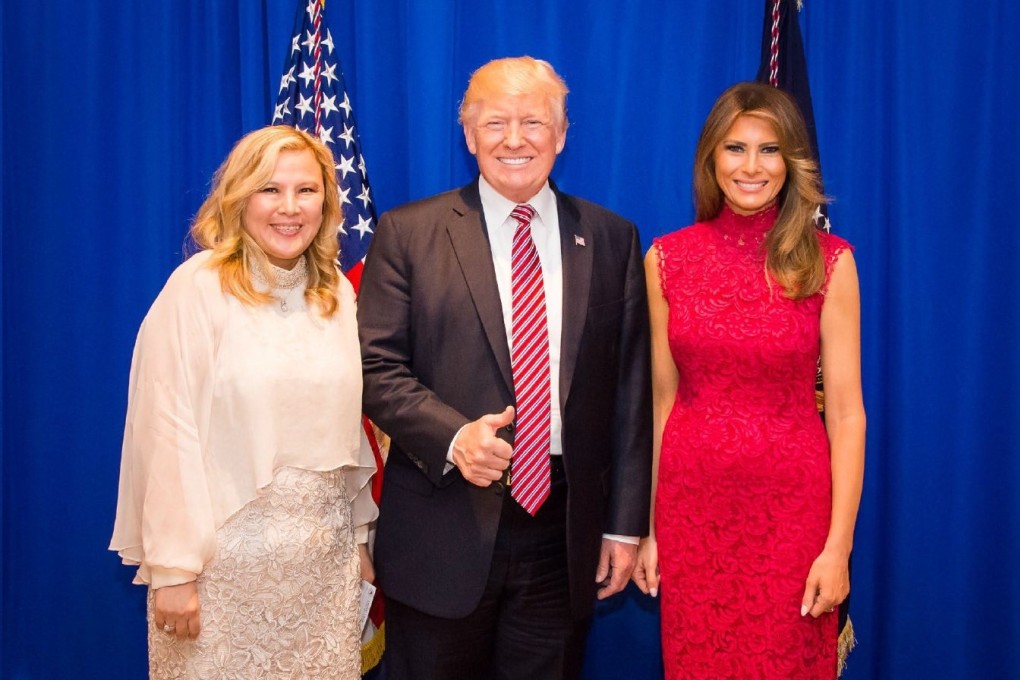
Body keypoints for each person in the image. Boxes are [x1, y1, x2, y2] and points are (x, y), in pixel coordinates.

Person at [357, 56, 651, 679]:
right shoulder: (408, 233)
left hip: (563, 534)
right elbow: (374, 367)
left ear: (562, 134)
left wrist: (625, 527)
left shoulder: (611, 237)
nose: (514, 140)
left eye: (533, 122)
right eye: (495, 123)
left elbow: (630, 393)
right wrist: (454, 436)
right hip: (442, 532)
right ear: (468, 135)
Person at [109, 126, 377, 679]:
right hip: (218, 577)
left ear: (327, 200)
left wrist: (358, 538)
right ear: (238, 198)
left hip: (322, 576)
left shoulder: (338, 295)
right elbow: (166, 432)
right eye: (270, 190)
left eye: (306, 190)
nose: (290, 208)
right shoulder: (196, 290)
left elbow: (352, 431)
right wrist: (174, 570)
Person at [631, 81, 865, 678]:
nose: (751, 166)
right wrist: (652, 531)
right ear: (711, 157)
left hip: (792, 519)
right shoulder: (666, 259)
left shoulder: (829, 260)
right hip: (691, 516)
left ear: (791, 163)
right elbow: (663, 402)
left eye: (769, 150)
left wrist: (837, 548)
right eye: (735, 148)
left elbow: (845, 415)